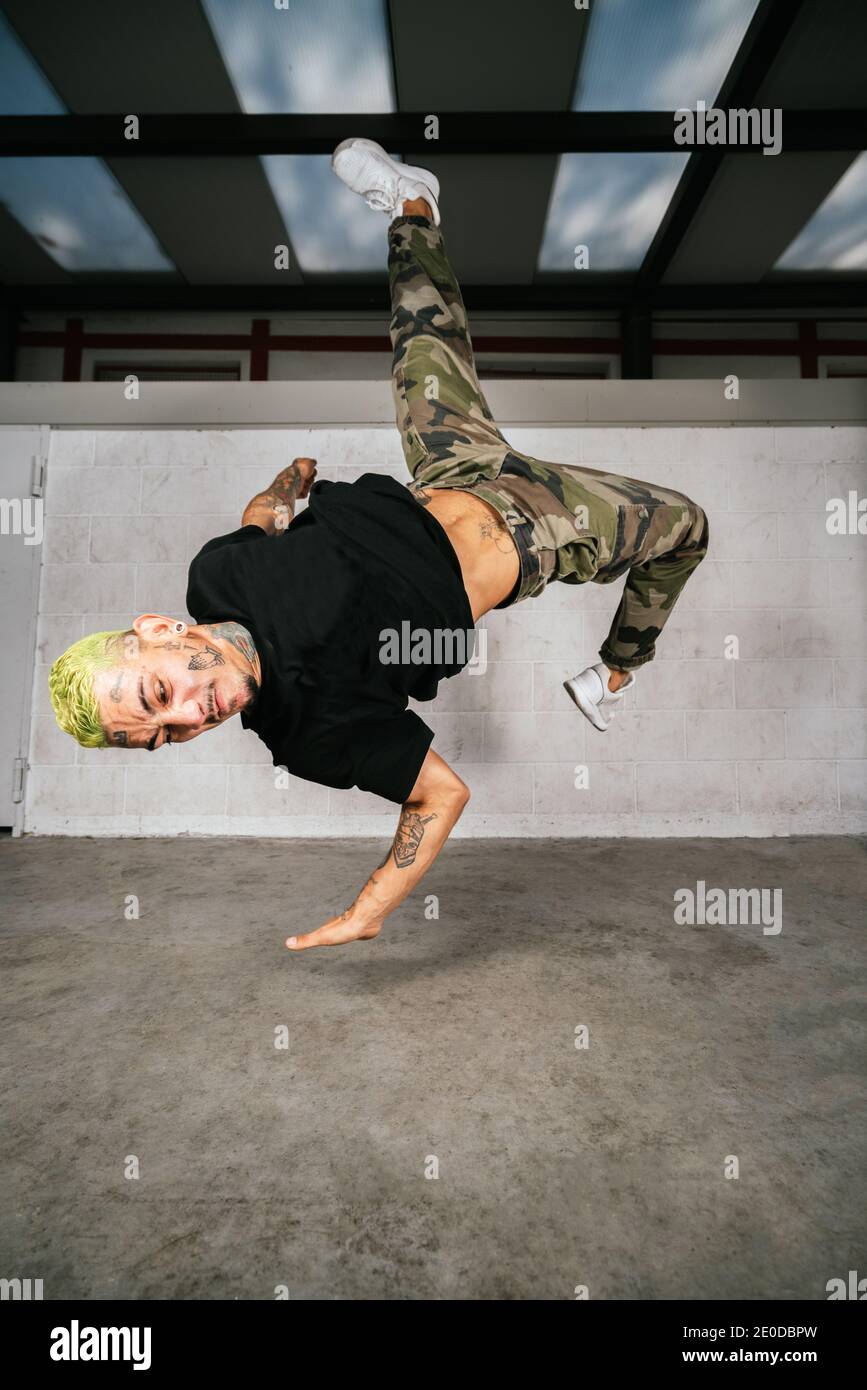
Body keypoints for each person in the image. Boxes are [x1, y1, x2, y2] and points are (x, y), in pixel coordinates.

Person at [49, 139, 708, 950]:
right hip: (541, 530)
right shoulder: (308, 730)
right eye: (167, 737)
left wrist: (289, 481)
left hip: (452, 463)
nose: (194, 717)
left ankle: (411, 199)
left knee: (422, 327)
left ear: (159, 629)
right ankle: (613, 673)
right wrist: (371, 909)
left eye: (159, 698)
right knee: (686, 525)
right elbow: (438, 795)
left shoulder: (214, 575)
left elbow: (263, 517)